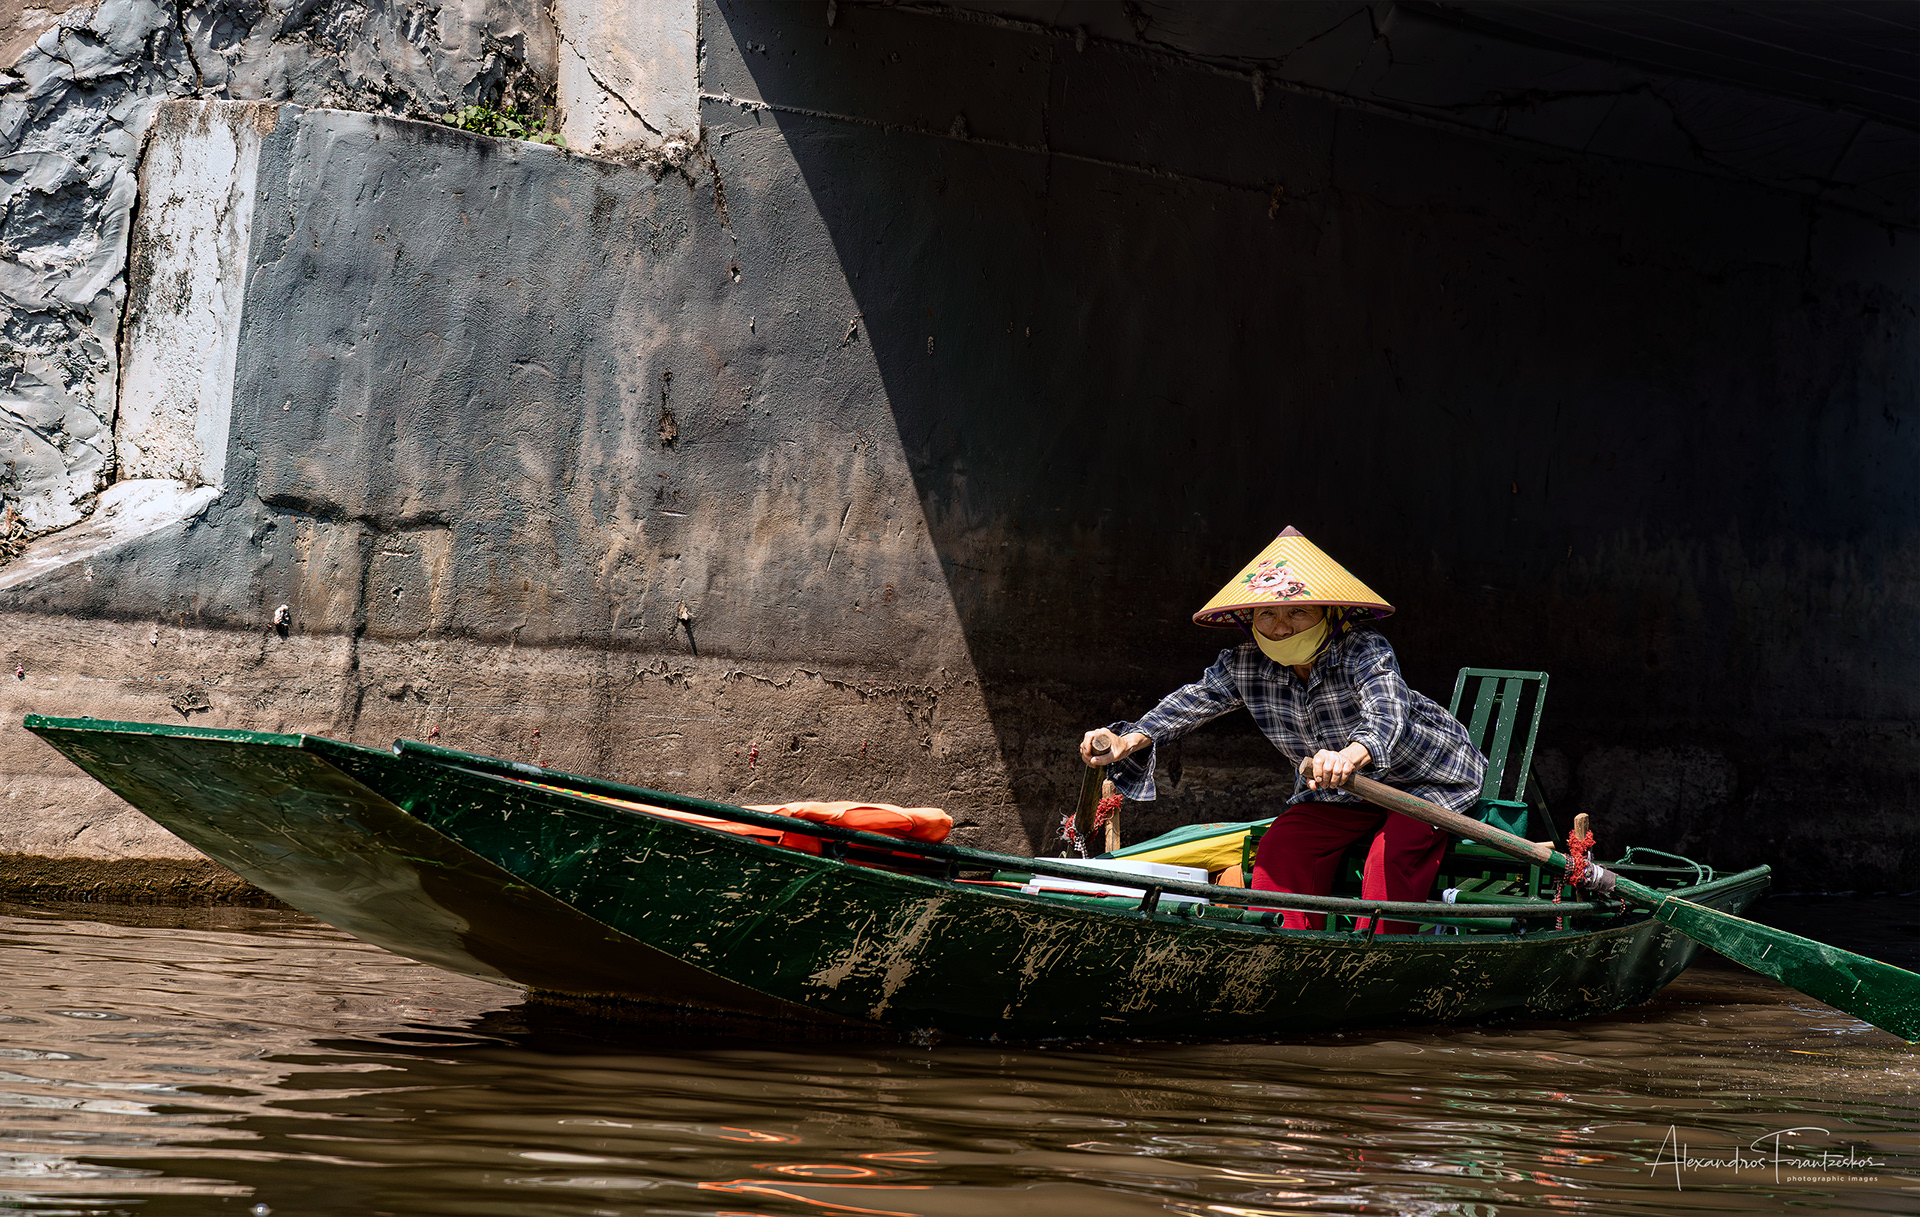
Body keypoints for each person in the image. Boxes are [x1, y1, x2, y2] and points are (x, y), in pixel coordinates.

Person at [1080, 526, 1486, 934]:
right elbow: (1193, 702)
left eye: (1297, 612)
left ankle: (1379, 959)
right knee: (1280, 849)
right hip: (1342, 792)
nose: (1280, 627)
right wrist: (1127, 739)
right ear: (1250, 620)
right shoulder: (1244, 662)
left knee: (1389, 857)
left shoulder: (1362, 647)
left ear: (1329, 615)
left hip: (1425, 782)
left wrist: (1348, 756)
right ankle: (1290, 946)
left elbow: (1388, 713)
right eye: (1267, 613)